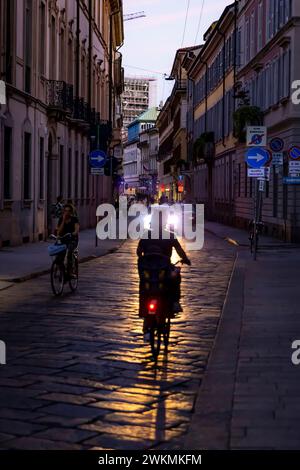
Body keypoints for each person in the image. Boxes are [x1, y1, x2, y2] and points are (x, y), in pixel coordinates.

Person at [137, 218, 191, 313]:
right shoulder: (170, 235)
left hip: (148, 267)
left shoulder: (146, 235)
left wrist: (144, 257)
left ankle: (142, 303)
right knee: (175, 277)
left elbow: (139, 251)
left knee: (143, 281)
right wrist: (185, 259)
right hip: (164, 267)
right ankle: (175, 302)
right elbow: (179, 250)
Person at [56, 204, 80, 277]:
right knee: (58, 254)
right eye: (65, 211)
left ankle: (70, 271)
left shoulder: (74, 219)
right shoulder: (61, 219)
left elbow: (76, 230)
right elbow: (59, 231)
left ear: (71, 212)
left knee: (69, 252)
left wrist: (73, 233)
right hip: (63, 239)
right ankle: (61, 270)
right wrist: (63, 220)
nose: (67, 212)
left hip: (72, 239)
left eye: (69, 211)